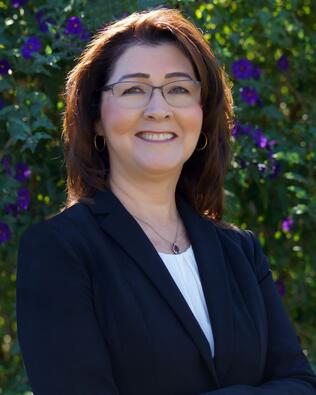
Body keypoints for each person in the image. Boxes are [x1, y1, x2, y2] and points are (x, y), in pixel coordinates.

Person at [16, 7, 316, 395]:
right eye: (133, 90)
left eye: (178, 89)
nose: (158, 110)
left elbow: (300, 384)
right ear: (95, 120)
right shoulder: (59, 251)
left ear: (202, 115)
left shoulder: (241, 253)